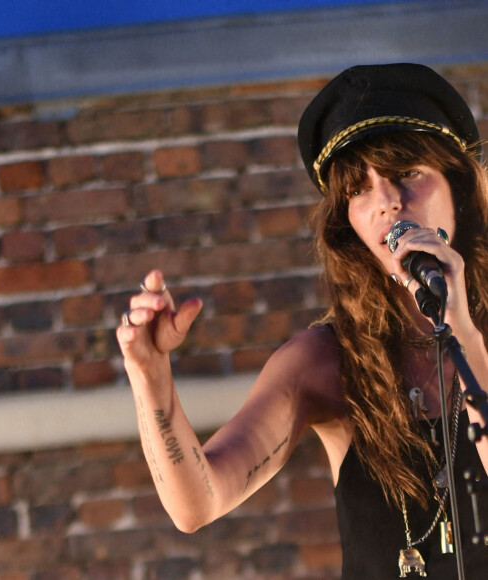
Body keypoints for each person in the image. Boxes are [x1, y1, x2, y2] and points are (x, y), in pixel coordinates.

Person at [116, 63, 488, 579]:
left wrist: (463, 331)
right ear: (347, 223)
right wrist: (150, 378)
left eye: (407, 173)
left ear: (459, 188)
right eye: (360, 189)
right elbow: (198, 503)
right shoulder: (324, 362)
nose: (387, 202)